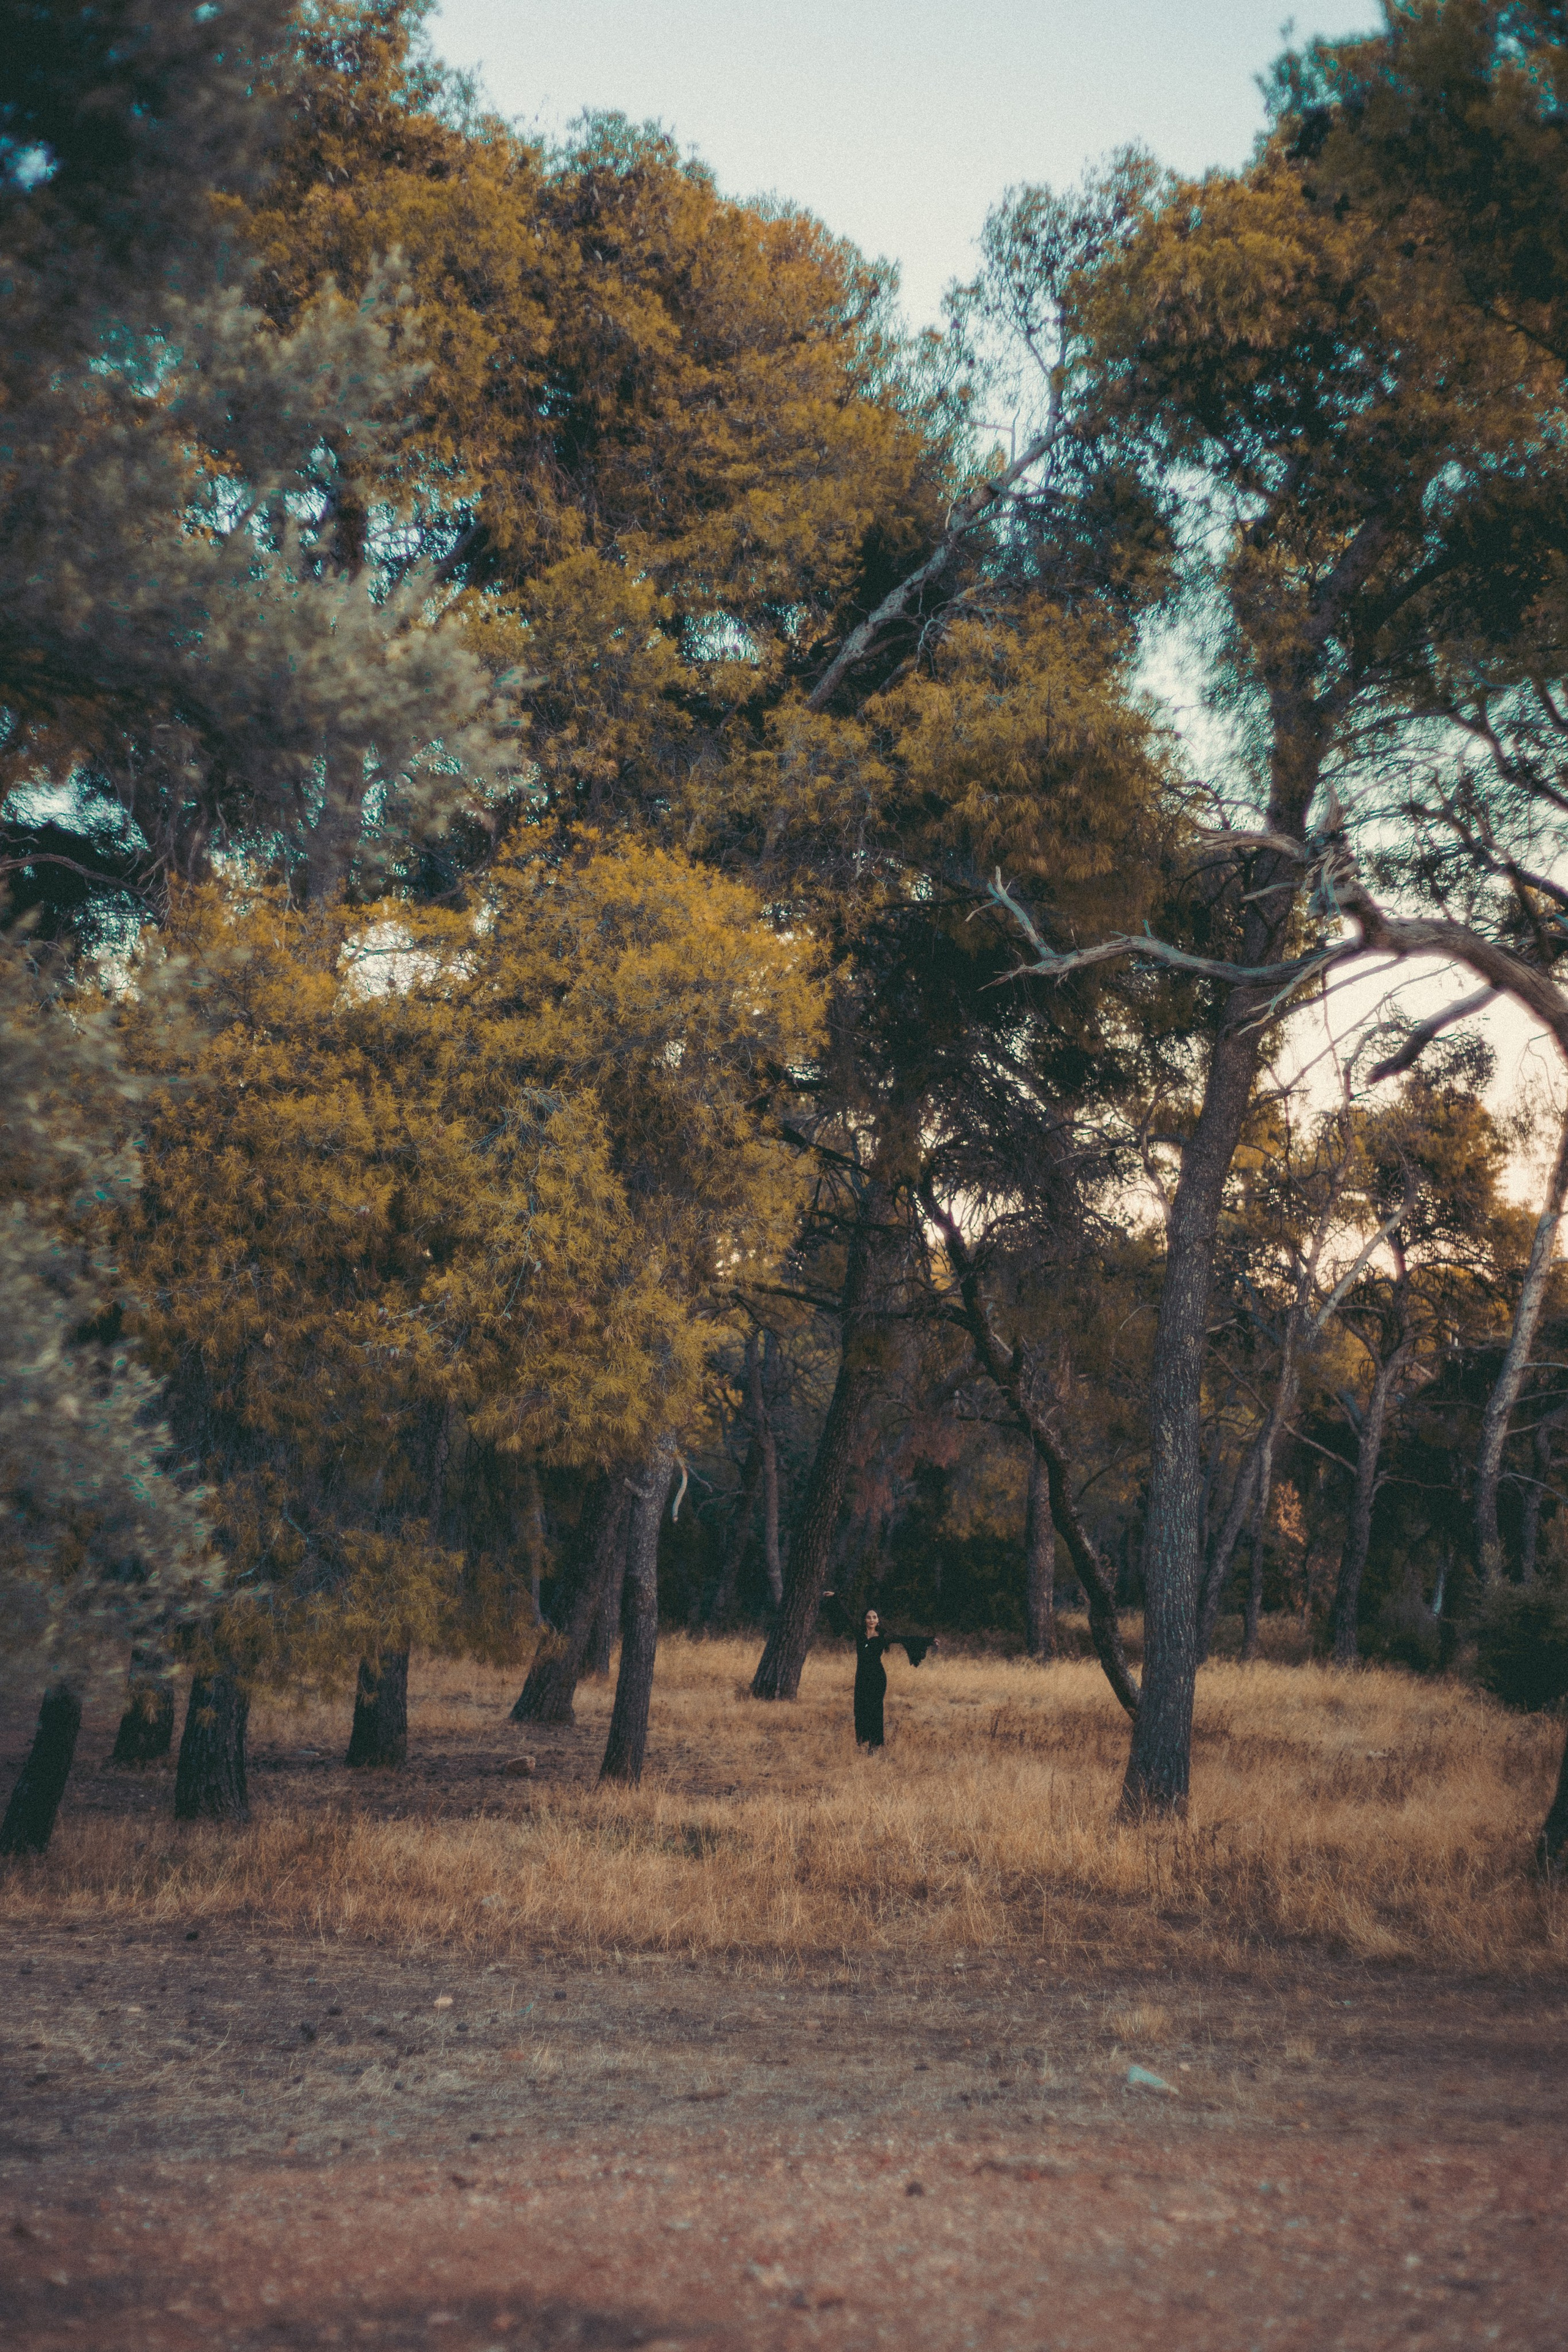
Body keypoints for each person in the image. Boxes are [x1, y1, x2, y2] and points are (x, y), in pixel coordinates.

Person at [820, 1594, 935, 1751]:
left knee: (875, 1710)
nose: (872, 1620)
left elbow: (905, 1639)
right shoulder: (859, 1633)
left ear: (878, 1620)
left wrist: (929, 1641)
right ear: (864, 1620)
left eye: (874, 1617)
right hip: (862, 1677)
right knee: (861, 1709)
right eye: (869, 1617)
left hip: (877, 1677)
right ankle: (864, 1740)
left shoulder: (883, 1636)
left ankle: (875, 1745)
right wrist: (836, 1598)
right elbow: (847, 1617)